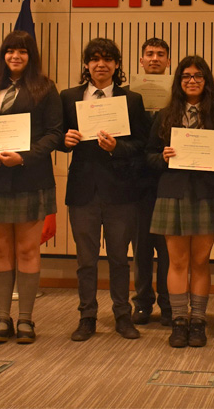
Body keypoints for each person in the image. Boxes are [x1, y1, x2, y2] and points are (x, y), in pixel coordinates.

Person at [0, 30, 63, 345]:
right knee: (0, 249)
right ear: (3, 55)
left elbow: (54, 134)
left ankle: (26, 320)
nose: (15, 56)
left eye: (22, 51)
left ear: (30, 55)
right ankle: (2, 318)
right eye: (10, 51)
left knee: (27, 249)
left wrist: (22, 158)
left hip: (30, 178)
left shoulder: (45, 89)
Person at [60, 38, 150, 342]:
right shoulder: (68, 97)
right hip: (83, 189)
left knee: (118, 259)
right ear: (86, 65)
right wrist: (65, 140)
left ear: (116, 65)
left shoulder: (132, 100)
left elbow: (142, 145)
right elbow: (57, 136)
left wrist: (117, 148)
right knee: (85, 260)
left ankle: (122, 315)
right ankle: (87, 316)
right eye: (95, 59)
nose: (101, 64)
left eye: (108, 59)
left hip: (121, 191)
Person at [147, 56, 214, 348]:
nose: (192, 81)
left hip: (208, 194)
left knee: (200, 262)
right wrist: (162, 157)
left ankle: (198, 320)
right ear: (178, 81)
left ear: (206, 81)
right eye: (186, 76)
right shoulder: (164, 116)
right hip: (173, 193)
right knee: (177, 262)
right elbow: (147, 157)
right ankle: (178, 321)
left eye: (198, 76)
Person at [131, 37, 173, 327]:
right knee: (142, 247)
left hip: (170, 182)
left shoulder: (179, 95)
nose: (155, 58)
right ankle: (143, 303)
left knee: (170, 250)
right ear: (141, 62)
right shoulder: (128, 97)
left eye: (160, 54)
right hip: (136, 182)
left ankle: (170, 304)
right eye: (150, 54)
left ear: (168, 62)